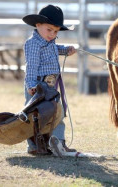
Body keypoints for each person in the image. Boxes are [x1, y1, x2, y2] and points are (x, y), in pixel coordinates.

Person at [22, 4, 77, 155]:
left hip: (50, 86)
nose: (52, 34)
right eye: (49, 30)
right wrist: (31, 85)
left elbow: (54, 48)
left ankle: (58, 143)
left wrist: (66, 49)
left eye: (56, 32)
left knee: (57, 112)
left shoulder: (49, 42)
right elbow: (31, 66)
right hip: (37, 85)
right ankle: (34, 146)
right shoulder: (33, 44)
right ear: (38, 25)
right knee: (35, 116)